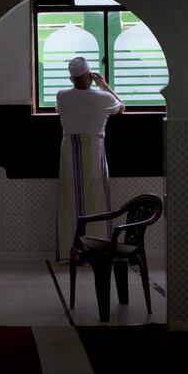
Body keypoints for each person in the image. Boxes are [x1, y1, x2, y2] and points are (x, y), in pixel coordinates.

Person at [55, 56, 125, 261]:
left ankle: (72, 251)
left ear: (71, 79)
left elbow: (60, 110)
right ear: (91, 76)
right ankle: (95, 249)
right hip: (94, 150)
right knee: (96, 201)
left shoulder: (62, 96)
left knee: (69, 201)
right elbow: (122, 107)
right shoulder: (103, 98)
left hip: (69, 151)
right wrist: (105, 86)